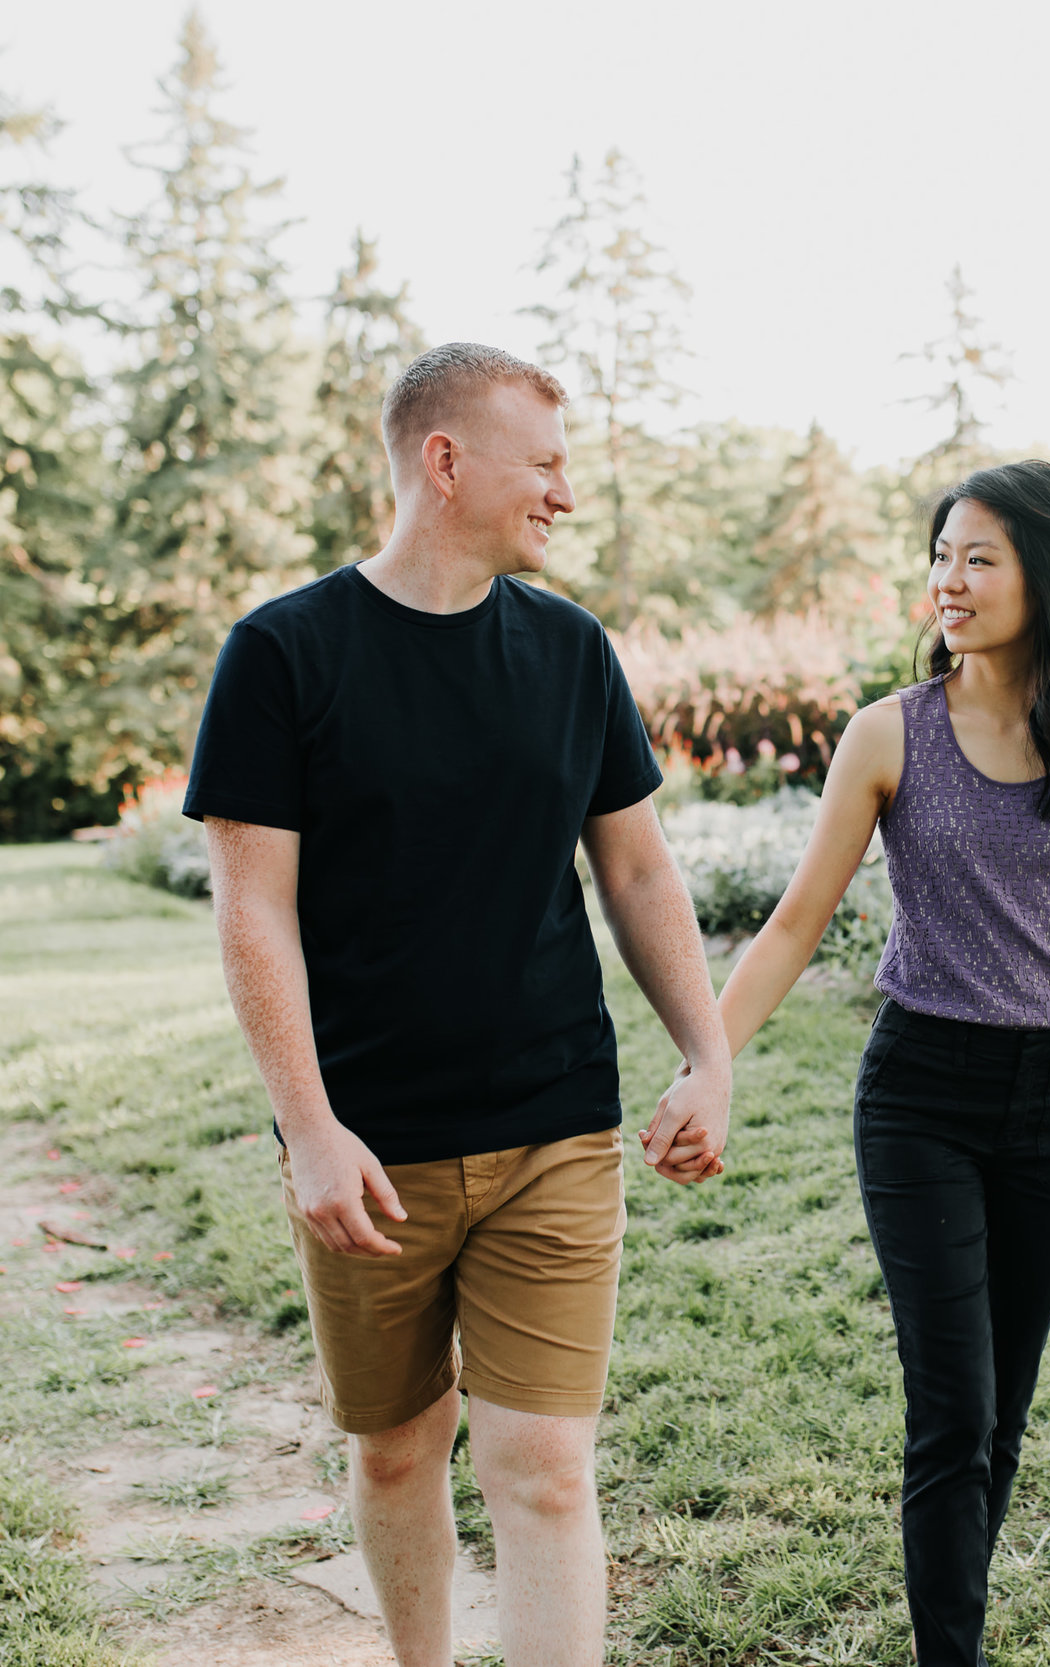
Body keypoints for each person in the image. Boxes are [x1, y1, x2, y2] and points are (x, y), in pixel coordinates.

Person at [187, 342, 731, 1667]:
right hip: (369, 1147)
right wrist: (308, 1126)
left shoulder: (569, 648)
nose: (561, 491)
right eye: (542, 462)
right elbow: (252, 907)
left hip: (553, 1120)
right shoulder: (283, 652)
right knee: (395, 1449)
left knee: (543, 1463)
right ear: (446, 461)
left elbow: (637, 862)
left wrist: (707, 1051)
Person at [652, 459, 1050, 1664]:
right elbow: (796, 919)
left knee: (998, 1411)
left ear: (1049, 575)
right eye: (941, 556)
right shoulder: (887, 734)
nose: (947, 581)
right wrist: (710, 1060)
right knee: (951, 1409)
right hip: (921, 1097)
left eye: (979, 558)